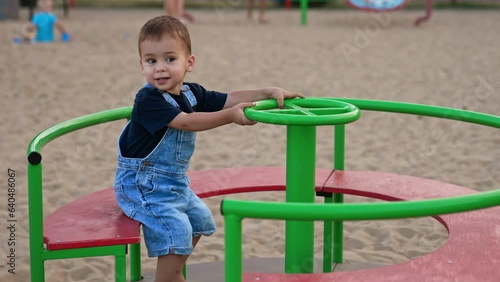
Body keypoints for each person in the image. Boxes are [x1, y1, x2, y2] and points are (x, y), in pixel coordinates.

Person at [113, 15, 303, 282]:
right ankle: (165, 277)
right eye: (151, 60)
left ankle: (173, 273)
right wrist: (230, 117)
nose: (160, 68)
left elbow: (229, 98)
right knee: (177, 230)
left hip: (173, 183)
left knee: (200, 219)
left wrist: (268, 91)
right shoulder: (148, 99)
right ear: (141, 64)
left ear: (189, 62)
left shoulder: (191, 93)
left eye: (170, 59)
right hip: (142, 185)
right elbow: (186, 123)